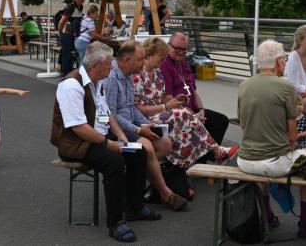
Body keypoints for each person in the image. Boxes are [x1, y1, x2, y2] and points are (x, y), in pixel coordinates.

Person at [51, 41, 157, 243]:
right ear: (95, 65)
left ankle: (133, 207)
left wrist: (122, 137)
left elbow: (106, 113)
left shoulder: (97, 80)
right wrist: (108, 144)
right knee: (114, 162)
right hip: (75, 144)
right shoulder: (71, 85)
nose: (111, 67)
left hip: (94, 138)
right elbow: (78, 128)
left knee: (138, 151)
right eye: (109, 64)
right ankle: (115, 223)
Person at [236, 39, 306, 238]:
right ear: (279, 61)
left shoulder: (244, 85)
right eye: (283, 60)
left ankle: (268, 216)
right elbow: (292, 136)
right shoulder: (286, 88)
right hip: (273, 162)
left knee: (263, 165)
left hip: (246, 160)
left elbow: (243, 125)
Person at [104, 41, 188, 211]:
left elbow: (131, 108)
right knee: (147, 147)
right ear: (127, 59)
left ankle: (138, 180)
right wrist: (138, 129)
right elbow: (110, 116)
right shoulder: (112, 79)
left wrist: (146, 124)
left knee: (165, 143)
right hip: (115, 132)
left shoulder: (126, 76)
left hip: (130, 127)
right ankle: (165, 193)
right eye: (141, 59)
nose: (144, 63)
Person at [132, 37, 237, 168]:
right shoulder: (137, 76)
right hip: (145, 119)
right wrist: (166, 106)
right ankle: (216, 152)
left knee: (187, 113)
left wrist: (175, 100)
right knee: (185, 115)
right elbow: (138, 109)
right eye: (161, 57)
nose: (163, 60)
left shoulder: (157, 73)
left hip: (160, 114)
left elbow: (162, 97)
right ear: (149, 54)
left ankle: (187, 164)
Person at [161, 31, 229, 150]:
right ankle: (213, 153)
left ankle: (205, 158)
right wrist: (192, 115)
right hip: (180, 113)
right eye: (177, 49)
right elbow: (168, 98)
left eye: (184, 50)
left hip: (193, 110)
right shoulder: (164, 65)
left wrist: (201, 110)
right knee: (202, 126)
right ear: (168, 45)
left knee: (221, 121)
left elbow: (193, 91)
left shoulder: (184, 63)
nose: (181, 52)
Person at [58, 0, 86, 75]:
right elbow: (61, 22)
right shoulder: (71, 7)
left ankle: (68, 71)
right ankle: (66, 74)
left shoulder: (80, 7)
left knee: (68, 53)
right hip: (66, 34)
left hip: (73, 34)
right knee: (66, 54)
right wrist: (60, 33)